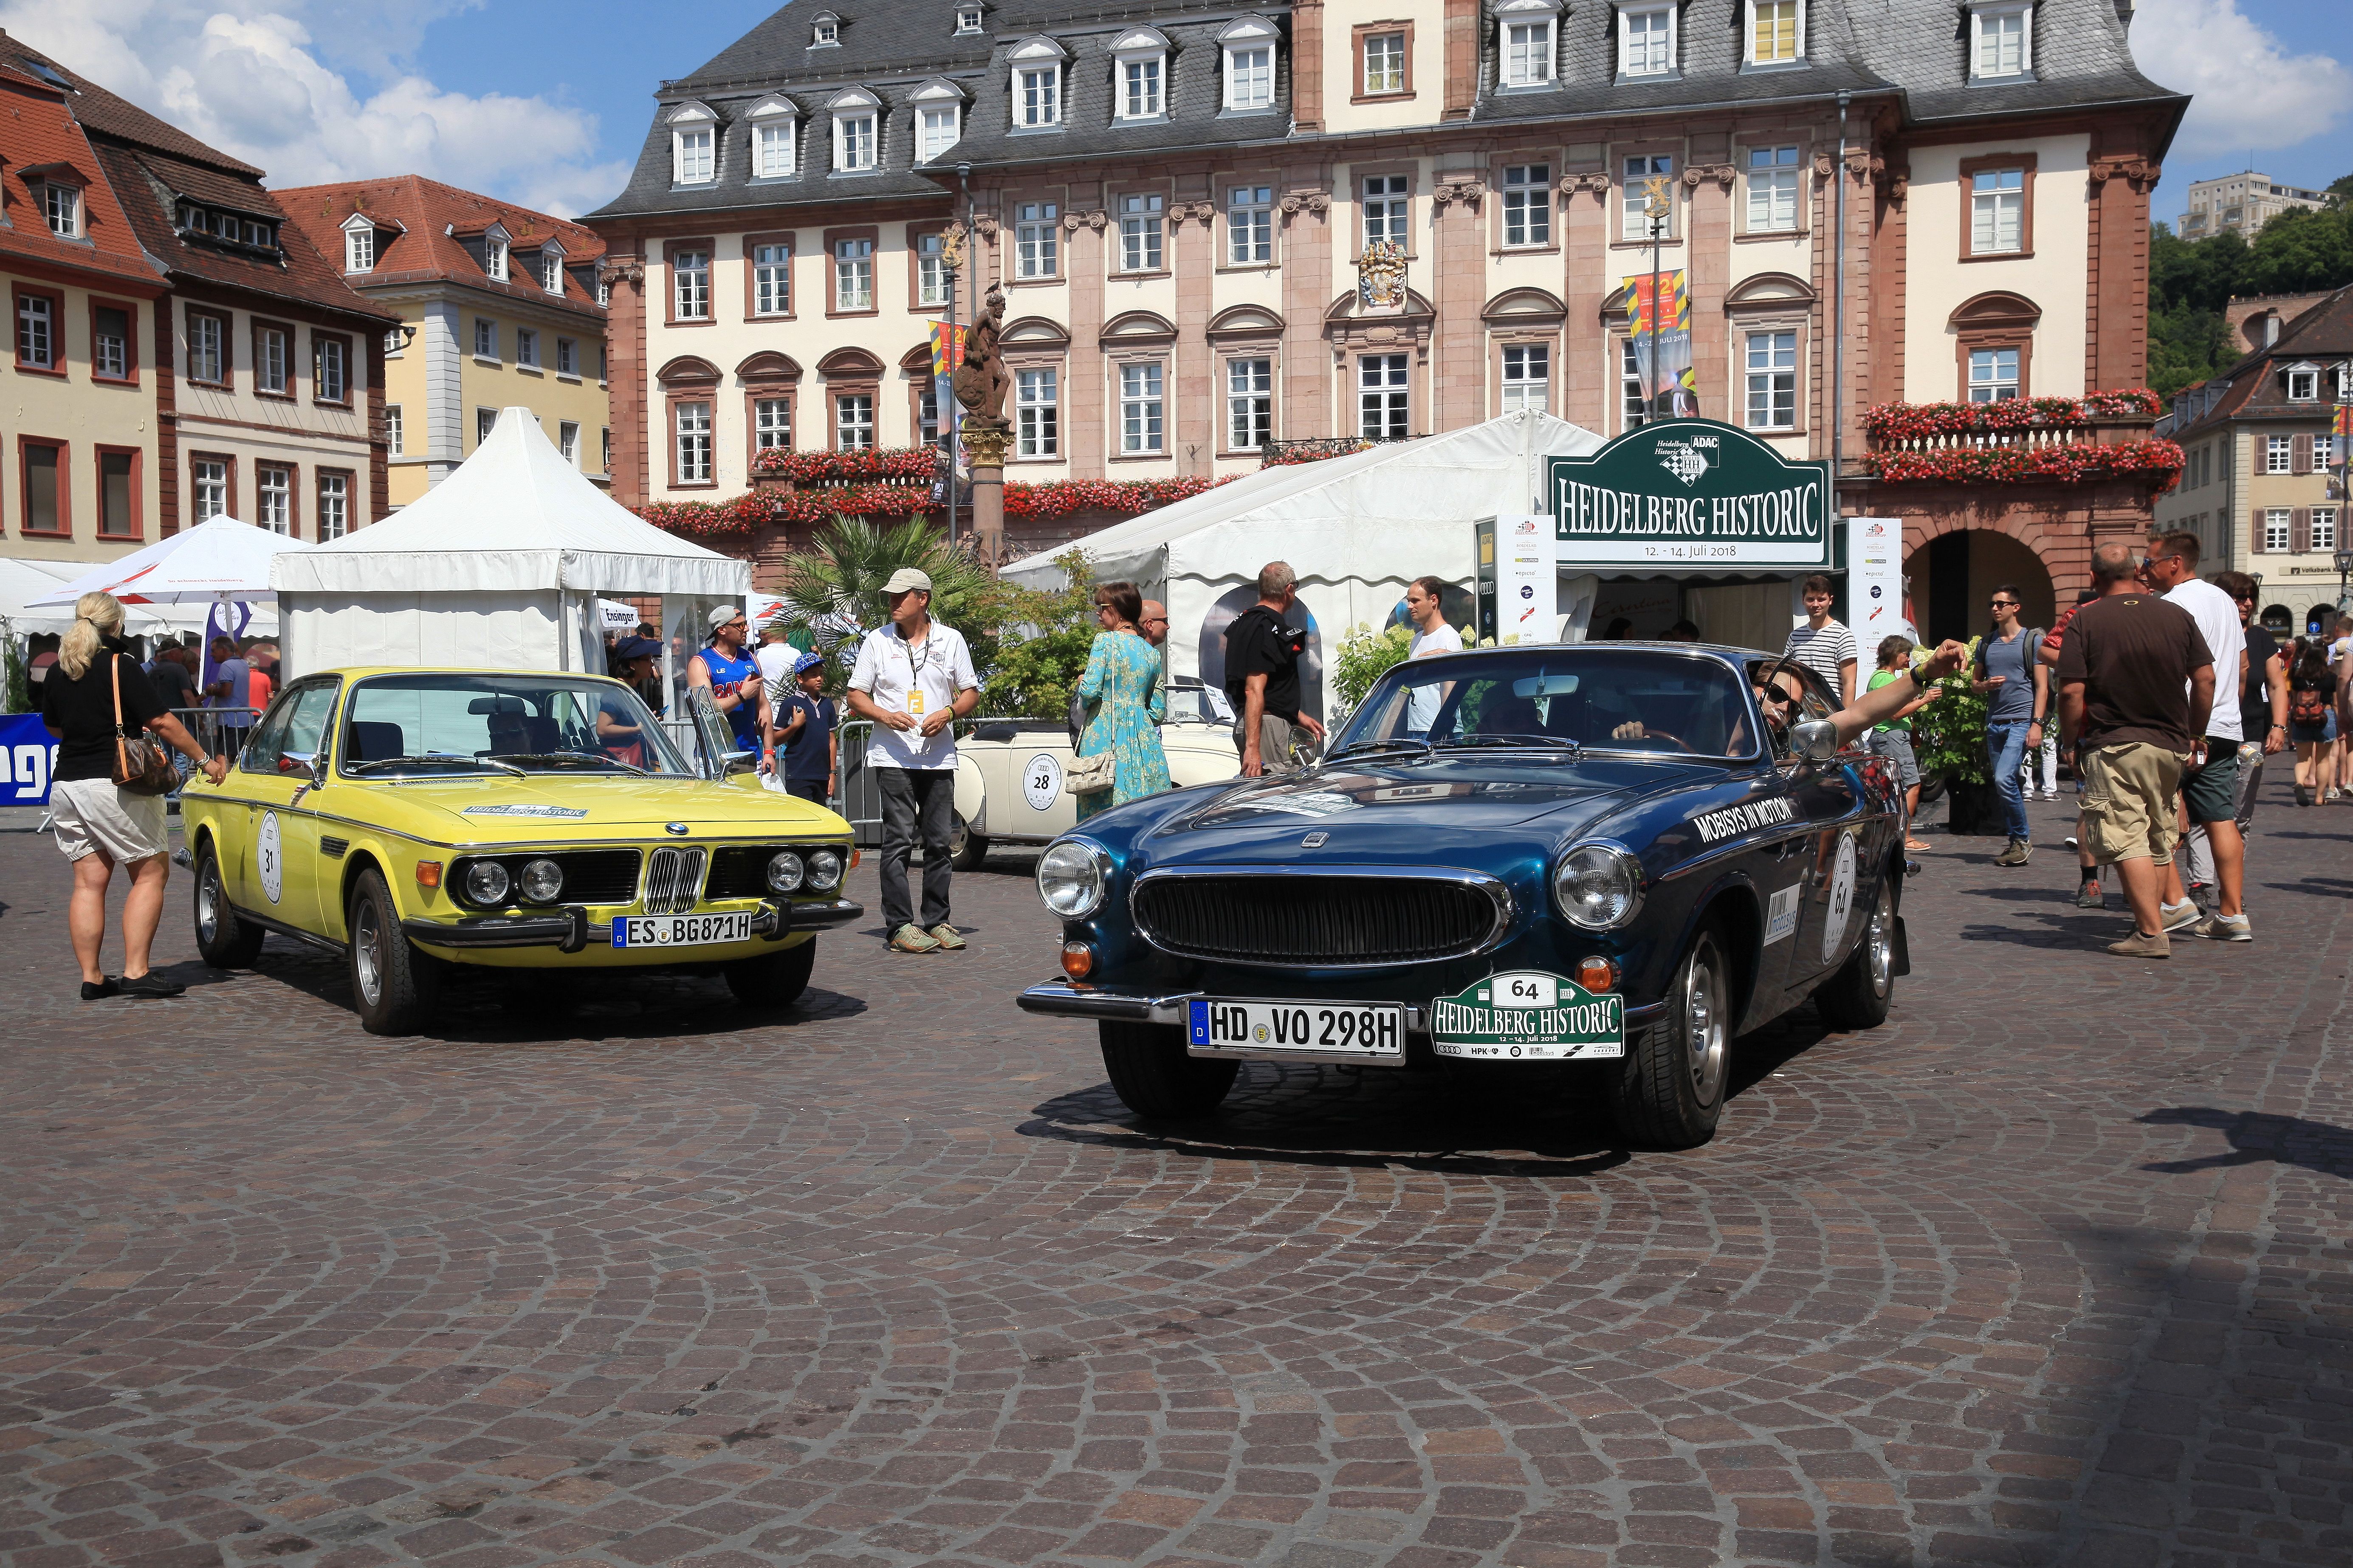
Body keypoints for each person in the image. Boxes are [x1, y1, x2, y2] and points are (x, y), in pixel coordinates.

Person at [41, 593, 228, 1000]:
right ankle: (136, 970)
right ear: (117, 626)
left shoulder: (61, 669)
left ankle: (92, 978)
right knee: (150, 872)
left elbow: (55, 728)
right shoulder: (118, 664)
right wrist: (205, 760)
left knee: (88, 883)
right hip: (114, 783)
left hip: (67, 785)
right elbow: (161, 720)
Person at [2054, 541, 2216, 959]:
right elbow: (2204, 679)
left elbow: (2071, 690)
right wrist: (2195, 732)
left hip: (2115, 742)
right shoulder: (2175, 615)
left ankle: (2149, 933)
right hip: (2169, 743)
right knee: (2158, 835)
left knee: (2125, 836)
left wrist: (2069, 741)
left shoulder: (2085, 620)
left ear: (2093, 578)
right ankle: (2151, 923)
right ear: (2136, 571)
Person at [846, 568, 979, 953]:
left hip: (938, 759)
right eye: (890, 595)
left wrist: (950, 714)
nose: (892, 602)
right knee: (898, 841)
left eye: (900, 596)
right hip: (892, 755)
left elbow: (971, 692)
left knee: (940, 843)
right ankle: (899, 926)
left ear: (923, 599)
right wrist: (884, 716)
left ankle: (937, 921)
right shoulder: (877, 640)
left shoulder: (950, 640)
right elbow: (857, 695)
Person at [2141, 531, 2249, 941]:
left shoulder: (2170, 606)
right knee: (2222, 818)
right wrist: (2227, 712)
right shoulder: (2224, 600)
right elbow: (2241, 666)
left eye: (2150, 563)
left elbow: (2162, 671)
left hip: (2179, 726)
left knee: (2155, 816)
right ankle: (2233, 913)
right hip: (2222, 725)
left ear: (2175, 563)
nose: (2144, 571)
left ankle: (2175, 903)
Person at [1074, 580, 1171, 822]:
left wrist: (1081, 681)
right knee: (1140, 813)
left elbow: (1091, 691)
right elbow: (1158, 712)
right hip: (1144, 741)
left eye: (1102, 607)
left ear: (1116, 609)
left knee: (1101, 813)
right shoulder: (1152, 654)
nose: (1098, 613)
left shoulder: (1105, 641)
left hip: (1106, 732)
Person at [1224, 561, 1325, 777]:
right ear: (1289, 589)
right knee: (1276, 793)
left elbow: (1268, 688)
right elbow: (1253, 689)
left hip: (1251, 721)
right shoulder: (1266, 627)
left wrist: (1296, 714)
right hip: (1264, 727)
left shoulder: (1244, 622)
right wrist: (1253, 748)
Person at [1972, 584, 2047, 868]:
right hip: (1995, 724)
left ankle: (2021, 839)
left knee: (2004, 779)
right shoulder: (1986, 643)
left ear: (2016, 608)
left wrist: (2036, 724)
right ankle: (2016, 840)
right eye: (1992, 604)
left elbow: (2042, 687)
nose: (1995, 608)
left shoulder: (2032, 642)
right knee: (2006, 782)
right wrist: (1985, 685)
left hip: (2020, 722)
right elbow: (1975, 685)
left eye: (2001, 604)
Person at [1865, 636, 1939, 852]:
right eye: (1906, 655)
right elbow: (1896, 713)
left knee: (1889, 788)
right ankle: (1905, 837)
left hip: (1890, 736)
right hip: (1891, 736)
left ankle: (1892, 835)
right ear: (1896, 654)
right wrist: (1924, 701)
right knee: (1912, 785)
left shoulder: (1881, 678)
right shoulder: (1885, 679)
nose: (1908, 660)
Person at [687, 604, 773, 768]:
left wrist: (769, 751)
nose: (746, 629)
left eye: (745, 623)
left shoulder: (750, 659)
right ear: (722, 630)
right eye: (740, 625)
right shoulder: (701, 663)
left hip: (750, 755)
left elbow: (763, 707)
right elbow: (707, 713)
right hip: (714, 758)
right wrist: (741, 696)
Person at [775, 650, 837, 806]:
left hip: (822, 775)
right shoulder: (791, 703)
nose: (819, 679)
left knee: (821, 819)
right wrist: (795, 726)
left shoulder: (827, 704)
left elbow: (831, 740)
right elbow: (775, 739)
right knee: (804, 821)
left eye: (821, 674)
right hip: (798, 774)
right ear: (800, 679)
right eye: (813, 674)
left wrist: (832, 773)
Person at [1783, 574, 1857, 705]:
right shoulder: (1795, 637)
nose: (1816, 604)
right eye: (1811, 599)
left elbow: (1850, 683)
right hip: (1801, 712)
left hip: (1832, 712)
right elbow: (1788, 675)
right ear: (1803, 600)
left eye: (1821, 599)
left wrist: (1846, 719)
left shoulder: (1843, 635)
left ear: (1831, 600)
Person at [1403, 574, 1463, 736]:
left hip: (1437, 730)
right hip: (1417, 728)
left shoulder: (1448, 636)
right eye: (1409, 601)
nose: (1409, 606)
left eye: (1415, 601)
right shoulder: (1417, 639)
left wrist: (1444, 728)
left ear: (1434, 601)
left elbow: (1449, 687)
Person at [598, 636, 663, 768]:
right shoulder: (616, 694)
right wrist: (637, 729)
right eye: (647, 660)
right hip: (620, 767)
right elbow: (602, 729)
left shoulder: (633, 690)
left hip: (637, 763)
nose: (652, 664)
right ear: (632, 665)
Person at [2287, 637, 2337, 805]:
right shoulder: (2331, 678)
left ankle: (2300, 783)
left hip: (2301, 718)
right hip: (2325, 716)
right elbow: (2336, 703)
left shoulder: (2298, 679)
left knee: (2303, 759)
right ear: (2324, 658)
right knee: (2323, 760)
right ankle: (2319, 797)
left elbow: (2294, 702)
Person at [203, 636, 254, 761]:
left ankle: (224, 780)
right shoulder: (243, 664)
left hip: (230, 720)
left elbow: (226, 692)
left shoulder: (227, 666)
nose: (211, 654)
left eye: (214, 650)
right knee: (241, 758)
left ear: (224, 650)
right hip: (245, 720)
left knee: (222, 755)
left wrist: (212, 691)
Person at [148, 643, 197, 713]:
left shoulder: (152, 671)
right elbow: (188, 696)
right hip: (180, 718)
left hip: (161, 717)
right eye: (181, 652)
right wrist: (197, 717)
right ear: (173, 653)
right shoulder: (179, 669)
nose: (183, 655)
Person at [754, 620, 799, 692]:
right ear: (786, 636)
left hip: (768, 701)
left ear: (768, 635)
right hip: (791, 700)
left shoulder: (759, 653)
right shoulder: (797, 653)